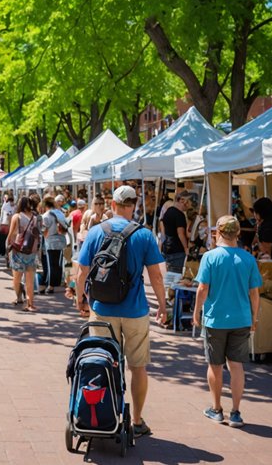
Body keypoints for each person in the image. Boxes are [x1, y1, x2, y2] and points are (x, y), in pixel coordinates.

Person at [76, 185, 167, 438]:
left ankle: (102, 416)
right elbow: (156, 276)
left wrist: (81, 298)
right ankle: (136, 421)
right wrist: (162, 304)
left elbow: (82, 270)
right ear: (134, 205)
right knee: (138, 367)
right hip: (135, 310)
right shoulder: (144, 235)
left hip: (102, 309)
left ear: (113, 205)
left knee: (101, 363)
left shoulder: (96, 232)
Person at [192, 215, 261, 428]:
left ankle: (216, 409)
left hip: (216, 319)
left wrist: (196, 313)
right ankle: (236, 412)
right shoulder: (248, 258)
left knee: (215, 365)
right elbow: (254, 293)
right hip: (241, 319)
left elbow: (202, 289)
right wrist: (254, 317)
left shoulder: (210, 257)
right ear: (238, 233)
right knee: (237, 366)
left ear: (218, 233)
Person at [7, 196, 40, 311]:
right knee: (29, 280)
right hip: (31, 251)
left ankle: (18, 297)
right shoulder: (35, 217)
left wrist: (7, 248)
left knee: (16, 278)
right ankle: (30, 303)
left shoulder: (17, 217)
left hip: (18, 250)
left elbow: (10, 234)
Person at [40, 195, 67, 294]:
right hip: (61, 240)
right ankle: (54, 284)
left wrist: (45, 237)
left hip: (50, 241)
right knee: (57, 264)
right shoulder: (60, 213)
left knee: (50, 264)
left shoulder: (46, 215)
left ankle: (49, 285)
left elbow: (44, 230)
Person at [161, 190, 192, 273]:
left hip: (167, 247)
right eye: (188, 201)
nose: (189, 205)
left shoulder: (169, 211)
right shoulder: (179, 215)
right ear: (182, 200)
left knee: (170, 275)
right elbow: (180, 233)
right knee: (176, 275)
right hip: (177, 250)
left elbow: (163, 228)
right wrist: (186, 248)